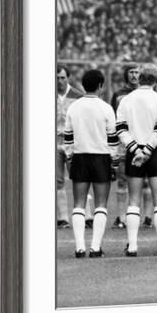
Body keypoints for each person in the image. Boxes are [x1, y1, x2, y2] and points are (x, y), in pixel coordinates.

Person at [116, 63, 157, 256]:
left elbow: (121, 129)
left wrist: (136, 150)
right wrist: (147, 150)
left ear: (139, 79)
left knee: (133, 199)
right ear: (156, 82)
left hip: (134, 151)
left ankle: (132, 247)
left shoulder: (126, 100)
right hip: (155, 151)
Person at [63, 69, 119, 258]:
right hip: (101, 157)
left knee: (79, 203)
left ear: (83, 85)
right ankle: (95, 248)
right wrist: (114, 161)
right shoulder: (106, 108)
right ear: (101, 86)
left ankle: (79, 248)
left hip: (79, 156)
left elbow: (68, 138)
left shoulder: (74, 107)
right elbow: (113, 140)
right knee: (100, 204)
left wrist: (70, 157)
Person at [110, 64, 153, 229]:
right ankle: (122, 217)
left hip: (145, 140)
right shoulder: (119, 95)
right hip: (125, 142)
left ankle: (148, 217)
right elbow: (115, 120)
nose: (134, 75)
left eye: (137, 72)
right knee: (122, 179)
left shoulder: (148, 93)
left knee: (147, 181)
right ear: (126, 75)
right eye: (131, 72)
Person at [56, 65, 93, 229]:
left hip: (73, 142)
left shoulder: (78, 96)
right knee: (58, 181)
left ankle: (88, 215)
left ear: (68, 78)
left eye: (62, 77)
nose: (59, 81)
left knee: (80, 178)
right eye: (57, 78)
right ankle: (63, 217)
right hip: (55, 141)